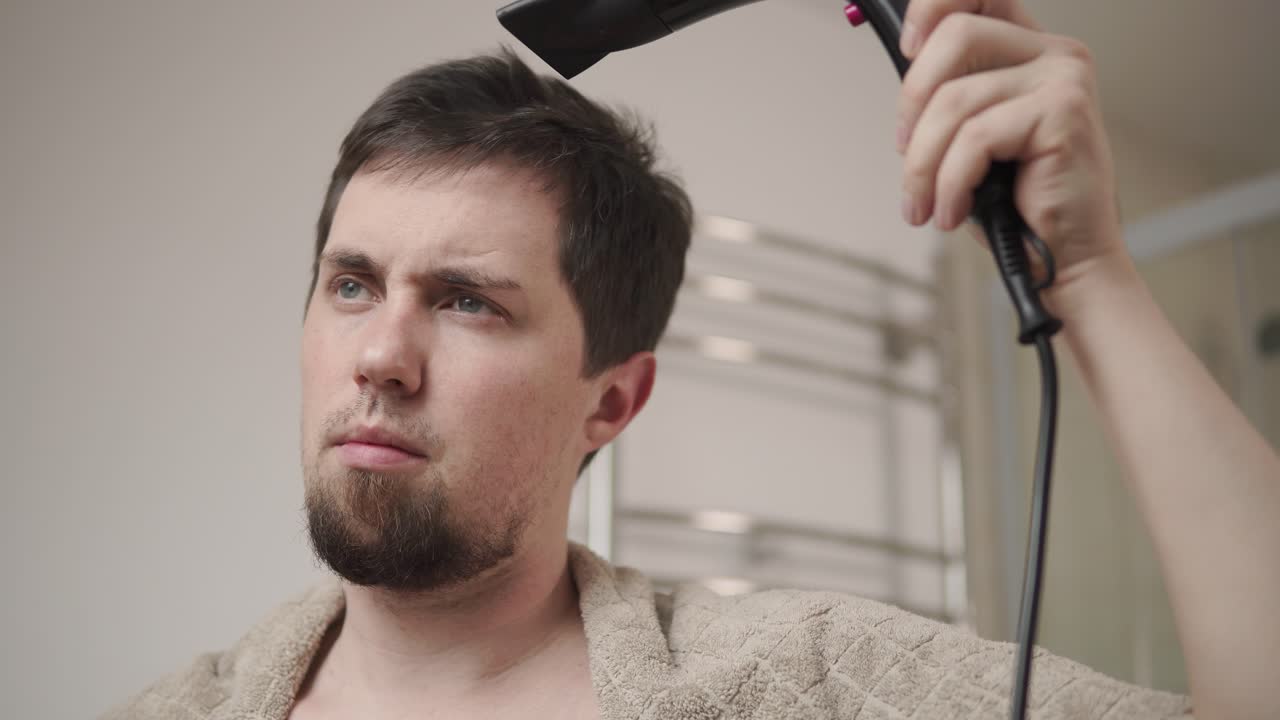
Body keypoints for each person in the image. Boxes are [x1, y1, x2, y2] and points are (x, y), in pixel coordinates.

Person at [105, 1, 1279, 718]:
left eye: (467, 302)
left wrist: (1090, 278)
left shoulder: (810, 684)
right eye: (352, 284)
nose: (381, 355)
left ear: (611, 400)